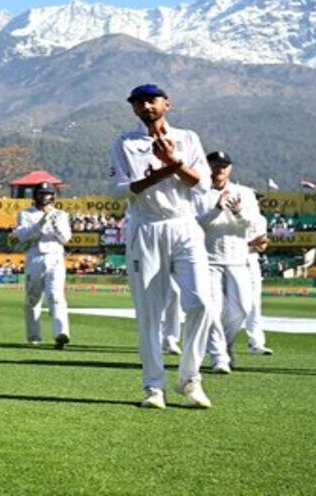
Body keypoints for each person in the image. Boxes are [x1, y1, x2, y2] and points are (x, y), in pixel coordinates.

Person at [108, 83, 214, 409]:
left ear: (167, 103)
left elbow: (203, 184)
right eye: (138, 102)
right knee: (149, 313)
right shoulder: (125, 143)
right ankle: (154, 387)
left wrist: (173, 163)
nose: (145, 106)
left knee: (201, 304)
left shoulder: (188, 138)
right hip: (146, 228)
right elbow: (118, 190)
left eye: (151, 100)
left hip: (184, 225)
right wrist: (163, 172)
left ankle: (189, 379)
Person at [193, 151, 261, 374]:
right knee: (212, 309)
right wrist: (216, 209)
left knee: (243, 308)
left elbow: (252, 225)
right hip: (208, 258)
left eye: (224, 165)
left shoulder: (245, 193)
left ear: (230, 168)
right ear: (207, 165)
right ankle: (218, 356)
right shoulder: (197, 191)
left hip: (237, 258)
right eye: (215, 164)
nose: (220, 168)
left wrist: (238, 212)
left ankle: (226, 344)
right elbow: (194, 225)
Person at [13, 181, 73, 348]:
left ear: (53, 196)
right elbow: (23, 236)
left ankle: (61, 333)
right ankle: (34, 336)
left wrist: (54, 224)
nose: (45, 197)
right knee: (33, 298)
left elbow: (66, 239)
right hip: (35, 257)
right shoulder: (25, 214)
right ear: (36, 195)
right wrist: (41, 223)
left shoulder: (61, 215)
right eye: (41, 194)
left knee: (56, 295)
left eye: (48, 194)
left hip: (55, 257)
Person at [243, 212, 273, 355]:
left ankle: (256, 342)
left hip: (251, 260)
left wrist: (260, 244)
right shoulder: (227, 215)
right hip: (227, 261)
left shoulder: (261, 219)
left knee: (255, 304)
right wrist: (249, 244)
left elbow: (262, 246)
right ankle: (217, 343)